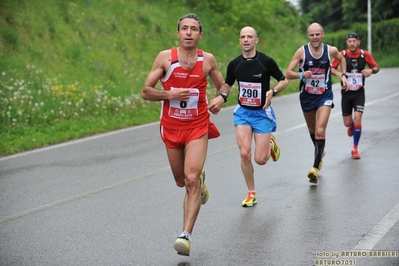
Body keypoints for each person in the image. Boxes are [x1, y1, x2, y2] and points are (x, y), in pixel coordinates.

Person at [141, 13, 230, 256]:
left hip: (198, 126)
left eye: (193, 29)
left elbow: (223, 85)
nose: (189, 32)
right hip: (170, 128)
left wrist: (220, 98)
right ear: (178, 33)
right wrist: (170, 94)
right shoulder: (165, 58)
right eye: (184, 29)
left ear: (200, 35)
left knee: (190, 178)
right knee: (181, 180)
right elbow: (146, 91)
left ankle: (185, 236)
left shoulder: (208, 60)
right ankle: (198, 183)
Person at [224, 26, 289, 207]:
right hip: (243, 113)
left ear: (256, 40)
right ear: (239, 41)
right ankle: (251, 192)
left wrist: (272, 91)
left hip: (261, 114)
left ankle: (269, 143)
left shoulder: (266, 62)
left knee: (260, 160)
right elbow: (227, 84)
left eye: (249, 37)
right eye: (243, 37)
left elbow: (284, 80)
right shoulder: (234, 64)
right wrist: (221, 96)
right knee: (244, 153)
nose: (246, 40)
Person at [285, 22, 348, 184]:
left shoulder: (330, 50)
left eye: (317, 34)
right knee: (312, 129)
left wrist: (343, 75)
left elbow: (342, 59)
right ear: (308, 36)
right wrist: (301, 76)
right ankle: (320, 150)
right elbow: (288, 73)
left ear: (323, 34)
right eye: (312, 35)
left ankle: (315, 167)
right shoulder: (302, 52)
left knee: (320, 131)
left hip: (324, 95)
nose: (315, 37)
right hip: (306, 96)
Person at [331, 32, 379, 159]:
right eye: (349, 41)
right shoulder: (342, 55)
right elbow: (331, 68)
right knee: (347, 123)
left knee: (358, 118)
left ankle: (355, 148)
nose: (352, 43)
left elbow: (376, 67)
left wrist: (370, 71)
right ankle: (351, 125)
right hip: (346, 93)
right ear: (347, 43)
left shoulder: (364, 54)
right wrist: (341, 75)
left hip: (359, 92)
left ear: (359, 42)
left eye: (354, 41)